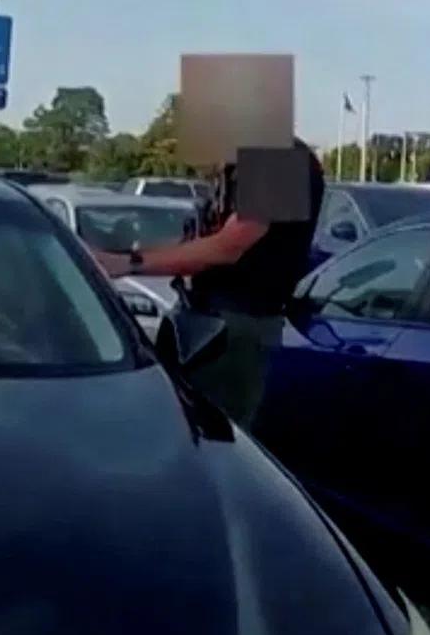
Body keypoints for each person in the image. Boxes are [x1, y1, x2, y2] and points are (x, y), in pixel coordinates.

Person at [91, 139, 325, 431]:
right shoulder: (241, 162)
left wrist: (130, 263)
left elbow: (230, 245)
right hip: (203, 320)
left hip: (236, 327)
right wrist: (116, 256)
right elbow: (199, 245)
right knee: (180, 428)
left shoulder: (279, 156)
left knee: (214, 439)